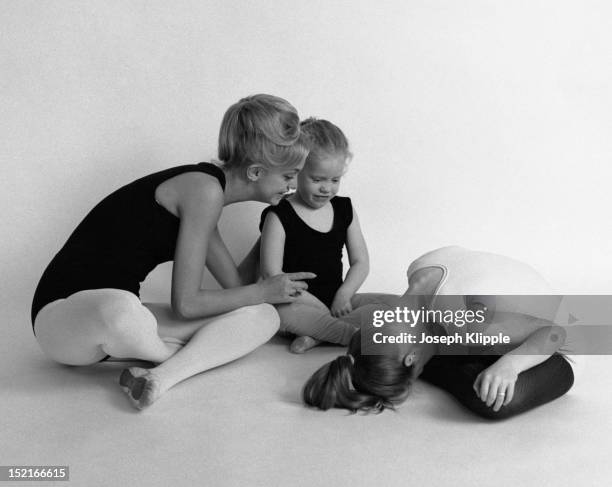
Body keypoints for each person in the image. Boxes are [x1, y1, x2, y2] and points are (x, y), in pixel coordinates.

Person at [31, 94, 315, 409]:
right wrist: (263, 290)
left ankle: (159, 378)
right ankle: (176, 352)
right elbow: (187, 305)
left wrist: (269, 236)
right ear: (256, 172)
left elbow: (238, 291)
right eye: (289, 176)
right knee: (122, 308)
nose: (292, 186)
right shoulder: (203, 190)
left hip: (118, 331)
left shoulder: (210, 196)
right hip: (63, 320)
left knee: (264, 315)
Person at [303, 246, 575, 419]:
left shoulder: (467, 324)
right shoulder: (420, 269)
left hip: (559, 350)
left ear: (411, 358)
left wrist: (509, 366)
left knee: (493, 400)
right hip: (497, 321)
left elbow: (554, 333)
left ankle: (461, 363)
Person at [259, 118, 370, 353]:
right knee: (275, 313)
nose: (326, 188)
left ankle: (317, 336)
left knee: (391, 305)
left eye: (335, 180)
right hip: (296, 302)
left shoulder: (344, 208)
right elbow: (272, 275)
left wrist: (344, 295)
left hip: (338, 298)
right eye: (317, 179)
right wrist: (316, 305)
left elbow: (361, 262)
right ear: (297, 172)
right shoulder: (279, 214)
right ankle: (352, 336)